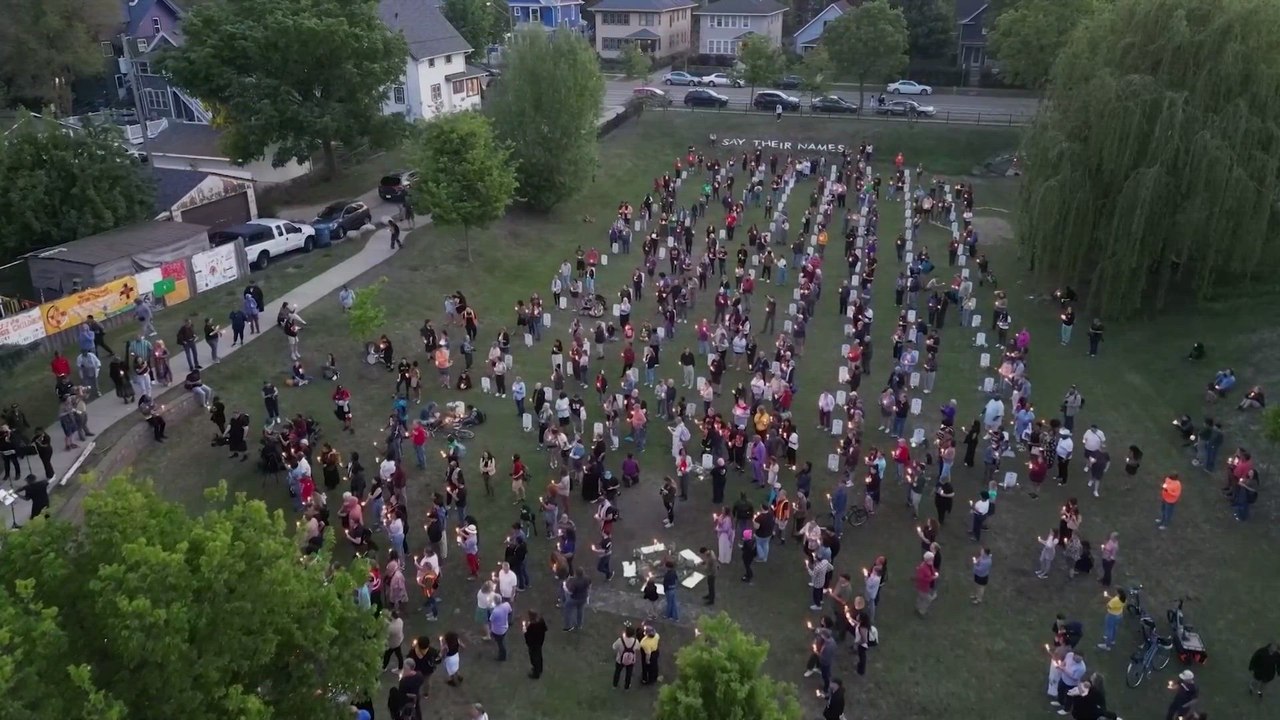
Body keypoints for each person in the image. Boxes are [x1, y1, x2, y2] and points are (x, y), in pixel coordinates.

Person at [612, 625, 640, 689]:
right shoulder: (636, 642)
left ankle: (614, 685)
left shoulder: (620, 640)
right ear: (633, 634)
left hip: (620, 660)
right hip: (631, 661)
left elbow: (613, 647)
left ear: (626, 632)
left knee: (617, 672)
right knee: (629, 674)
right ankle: (626, 687)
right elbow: (638, 648)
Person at [524, 610, 547, 679]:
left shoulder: (531, 626)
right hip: (540, 642)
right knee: (539, 655)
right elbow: (545, 629)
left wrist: (524, 629)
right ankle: (540, 668)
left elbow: (527, 635)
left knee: (534, 658)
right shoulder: (541, 621)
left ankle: (536, 673)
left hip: (533, 644)